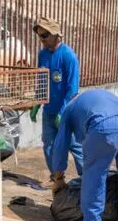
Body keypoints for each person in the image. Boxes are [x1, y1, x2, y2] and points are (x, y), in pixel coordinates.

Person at [51, 89, 118, 221]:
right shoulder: (99, 96)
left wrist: (58, 177)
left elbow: (61, 145)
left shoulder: (69, 108)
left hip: (104, 126)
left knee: (95, 177)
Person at [29, 17, 84, 180]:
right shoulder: (43, 55)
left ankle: (87, 178)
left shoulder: (68, 56)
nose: (42, 40)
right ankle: (57, 178)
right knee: (49, 145)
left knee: (75, 146)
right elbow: (42, 81)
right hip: (49, 110)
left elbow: (73, 88)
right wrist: (37, 103)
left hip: (67, 112)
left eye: (45, 35)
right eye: (40, 36)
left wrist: (63, 111)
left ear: (55, 35)